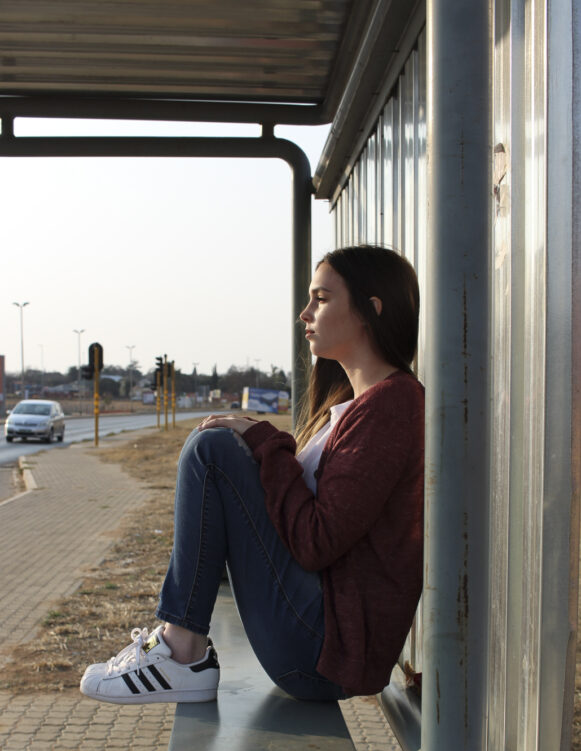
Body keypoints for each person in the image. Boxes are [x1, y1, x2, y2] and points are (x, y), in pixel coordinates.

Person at [80, 245, 424, 705]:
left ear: (370, 309)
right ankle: (182, 648)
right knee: (222, 446)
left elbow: (318, 539)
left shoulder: (393, 405)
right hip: (316, 633)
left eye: (321, 299)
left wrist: (266, 442)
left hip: (323, 652)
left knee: (214, 449)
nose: (305, 314)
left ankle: (182, 651)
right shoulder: (353, 406)